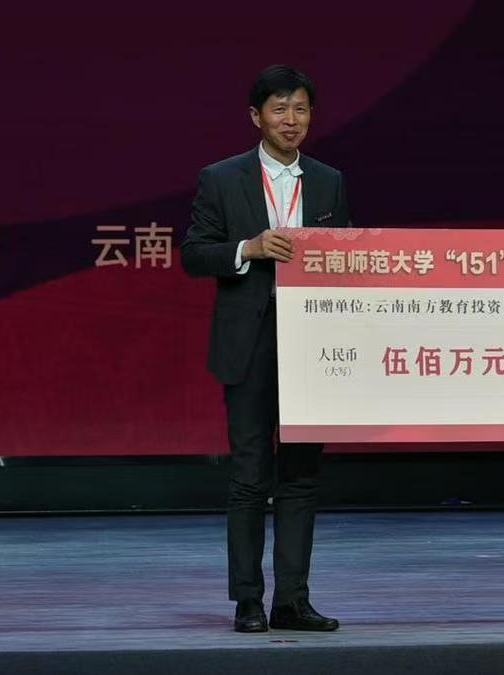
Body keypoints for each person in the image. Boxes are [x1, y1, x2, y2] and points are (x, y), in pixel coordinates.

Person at [181, 64, 351, 633]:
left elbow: (346, 254)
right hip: (249, 342)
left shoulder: (328, 181)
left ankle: (293, 600)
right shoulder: (221, 178)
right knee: (250, 476)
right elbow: (194, 254)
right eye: (280, 109)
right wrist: (247, 248)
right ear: (256, 117)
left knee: (301, 477)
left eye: (300, 108)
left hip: (310, 345)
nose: (291, 119)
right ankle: (248, 600)